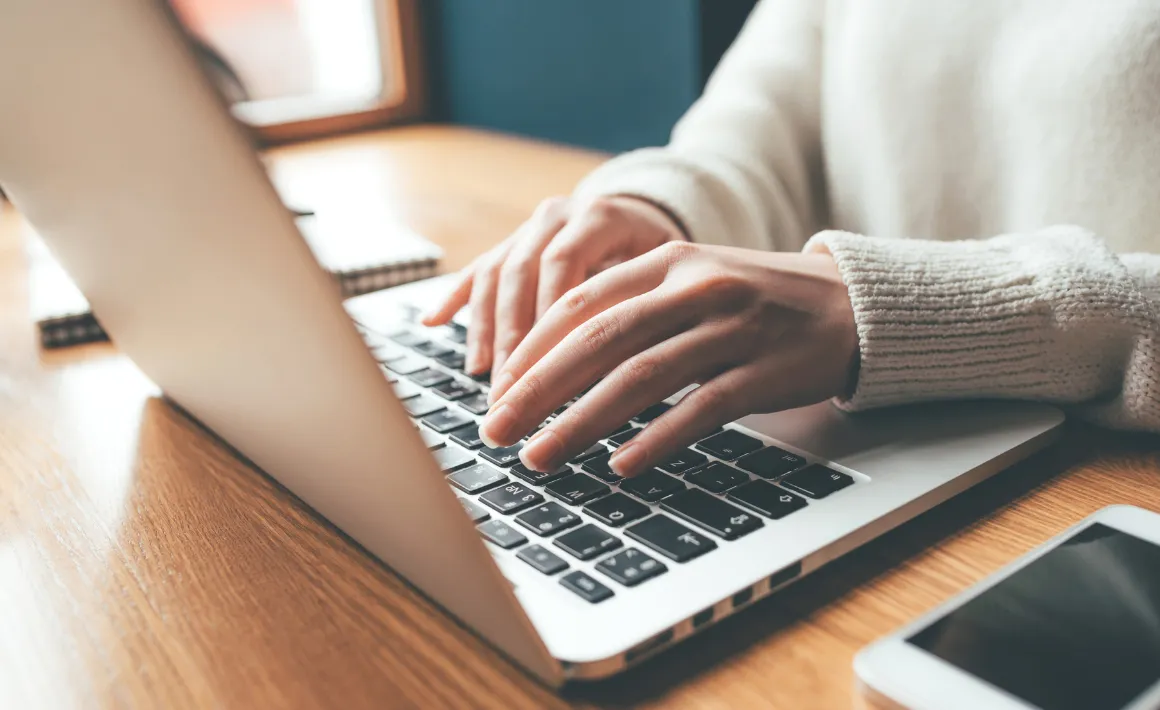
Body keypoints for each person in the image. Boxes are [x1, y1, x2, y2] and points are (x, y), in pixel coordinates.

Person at [424, 0, 1160, 477]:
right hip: (864, 443)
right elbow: (757, 131)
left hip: (1101, 487)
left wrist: (892, 310)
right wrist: (658, 211)